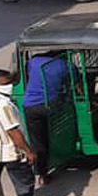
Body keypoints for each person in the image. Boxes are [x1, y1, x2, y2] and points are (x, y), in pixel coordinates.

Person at [22, 50, 71, 185]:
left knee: (38, 141)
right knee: (58, 130)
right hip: (51, 106)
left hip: (30, 106)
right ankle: (61, 154)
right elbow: (74, 83)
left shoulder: (33, 62)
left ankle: (41, 173)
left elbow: (28, 74)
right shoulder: (66, 64)